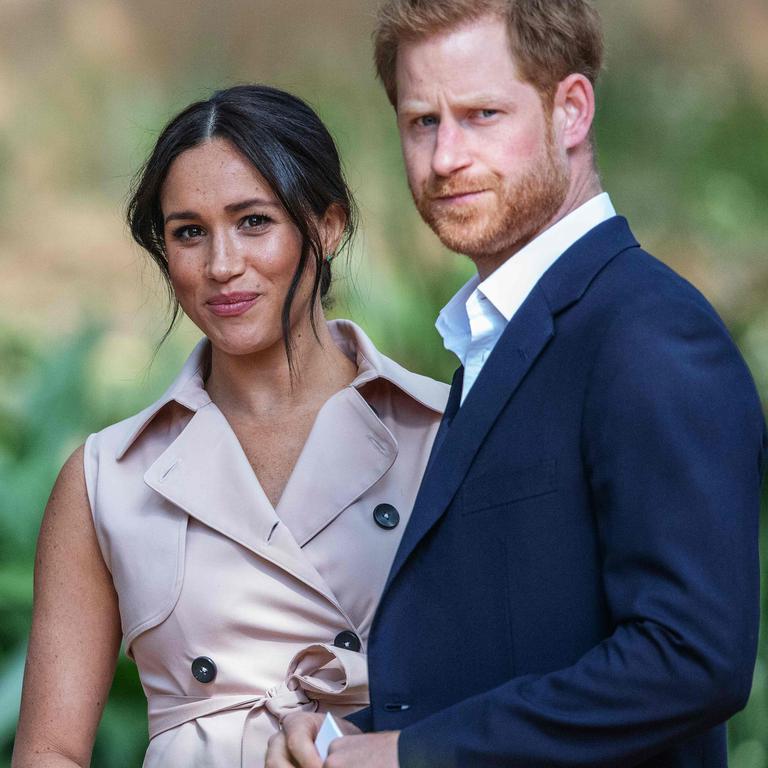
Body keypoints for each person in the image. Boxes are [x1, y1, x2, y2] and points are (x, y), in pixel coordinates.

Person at [267, 2, 767, 767]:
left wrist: (414, 756)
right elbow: (515, 646)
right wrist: (353, 737)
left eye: (481, 114)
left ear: (570, 110)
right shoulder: (500, 336)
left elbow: (690, 659)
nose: (444, 159)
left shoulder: (648, 334)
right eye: (421, 122)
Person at [11, 84, 448, 768]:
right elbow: (50, 752)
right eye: (189, 232)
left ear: (328, 226)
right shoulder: (108, 478)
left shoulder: (444, 432)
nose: (221, 266)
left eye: (253, 222)